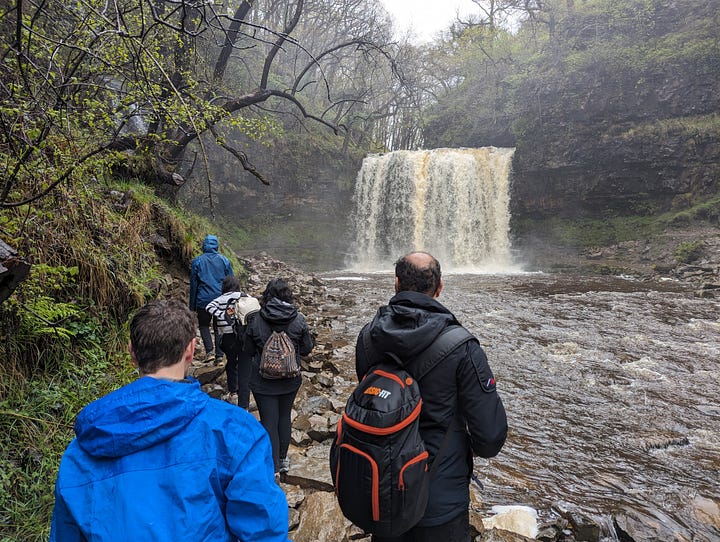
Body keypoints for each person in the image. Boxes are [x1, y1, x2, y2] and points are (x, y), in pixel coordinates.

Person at [50, 300, 290, 542]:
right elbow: (264, 531)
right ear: (191, 350)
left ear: (132, 352)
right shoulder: (236, 430)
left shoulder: (82, 448)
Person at [355, 252, 508, 542]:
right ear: (439, 288)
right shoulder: (462, 347)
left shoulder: (367, 338)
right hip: (439, 500)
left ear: (396, 283)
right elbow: (489, 438)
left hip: (381, 492)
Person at [244, 278, 313, 475]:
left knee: (268, 420)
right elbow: (307, 349)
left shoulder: (255, 319)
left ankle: (272, 465)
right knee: (284, 416)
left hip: (262, 381)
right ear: (288, 295)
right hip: (290, 380)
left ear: (267, 295)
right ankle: (283, 460)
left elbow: (247, 350)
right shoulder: (298, 318)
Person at [206, 275, 255, 408]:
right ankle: (244, 405)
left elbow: (208, 307)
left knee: (231, 364)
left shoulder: (220, 299)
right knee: (245, 370)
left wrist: (224, 315)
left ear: (224, 287)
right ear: (237, 286)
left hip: (228, 339)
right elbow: (255, 309)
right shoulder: (246, 296)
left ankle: (233, 393)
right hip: (244, 337)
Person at [189, 234, 233, 364]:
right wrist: (232, 301)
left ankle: (209, 352)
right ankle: (219, 356)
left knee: (203, 326)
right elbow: (231, 281)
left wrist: (192, 306)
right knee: (218, 327)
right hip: (221, 300)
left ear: (204, 246)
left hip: (203, 300)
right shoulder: (224, 260)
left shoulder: (197, 261)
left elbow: (194, 285)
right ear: (217, 245)